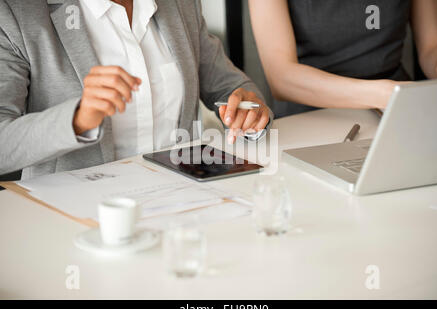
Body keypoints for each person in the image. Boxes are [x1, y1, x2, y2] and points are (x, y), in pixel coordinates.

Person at [0, 0, 272, 179]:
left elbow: (232, 87)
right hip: (76, 217)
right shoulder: (17, 14)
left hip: (184, 200)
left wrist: (250, 112)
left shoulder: (181, 4)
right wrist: (77, 119)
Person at [249, 0, 437, 118]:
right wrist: (385, 94)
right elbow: (281, 77)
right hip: (311, 117)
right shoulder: (389, 94)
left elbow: (433, 47)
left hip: (397, 113)